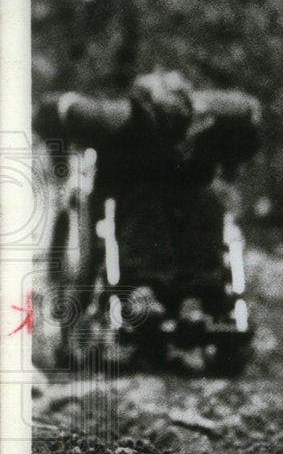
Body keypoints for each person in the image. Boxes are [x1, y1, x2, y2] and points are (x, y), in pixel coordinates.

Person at [34, 70, 261, 325]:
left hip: (187, 191)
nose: (175, 143)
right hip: (127, 196)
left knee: (208, 202)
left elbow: (247, 133)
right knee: (146, 204)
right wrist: (60, 165)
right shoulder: (109, 119)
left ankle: (200, 290)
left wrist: (229, 170)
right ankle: (145, 286)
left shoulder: (226, 115)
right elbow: (53, 108)